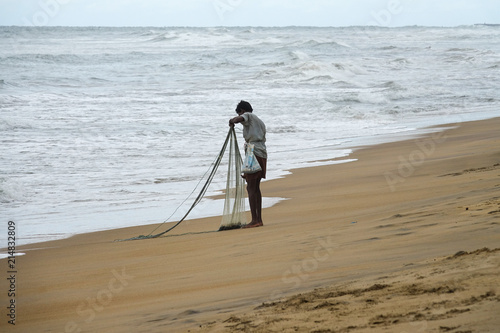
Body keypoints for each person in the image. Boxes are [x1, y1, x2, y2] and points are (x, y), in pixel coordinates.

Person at [229, 100, 267, 228]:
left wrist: (232, 121)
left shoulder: (249, 116)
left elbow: (240, 118)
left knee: (251, 187)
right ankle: (258, 219)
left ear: (243, 110)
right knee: (255, 187)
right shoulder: (260, 122)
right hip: (261, 153)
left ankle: (255, 220)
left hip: (253, 153)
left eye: (240, 112)